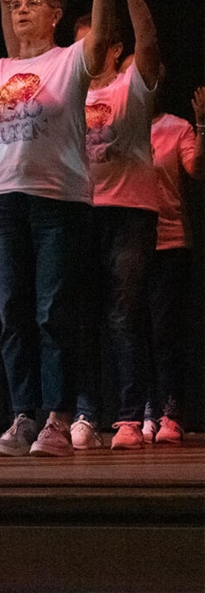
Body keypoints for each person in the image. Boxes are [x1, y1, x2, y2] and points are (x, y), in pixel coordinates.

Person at [0, 0, 112, 459]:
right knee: (13, 313)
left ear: (54, 15)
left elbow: (100, 41)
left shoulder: (69, 61)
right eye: (16, 2)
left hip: (58, 201)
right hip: (2, 202)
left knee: (52, 312)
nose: (23, 8)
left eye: (33, 2)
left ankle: (57, 416)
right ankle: (23, 415)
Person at [71, 0, 162, 451]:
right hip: (81, 211)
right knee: (81, 314)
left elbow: (149, 46)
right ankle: (84, 412)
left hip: (130, 212)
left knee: (124, 314)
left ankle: (130, 416)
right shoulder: (68, 89)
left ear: (113, 46)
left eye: (97, 41)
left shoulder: (132, 86)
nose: (89, 50)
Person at [139, 84, 204, 443]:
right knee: (135, 331)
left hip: (169, 241)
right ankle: (143, 410)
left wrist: (203, 125)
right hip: (130, 240)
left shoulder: (177, 128)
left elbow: (197, 169)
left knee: (165, 333)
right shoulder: (120, 125)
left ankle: (171, 413)